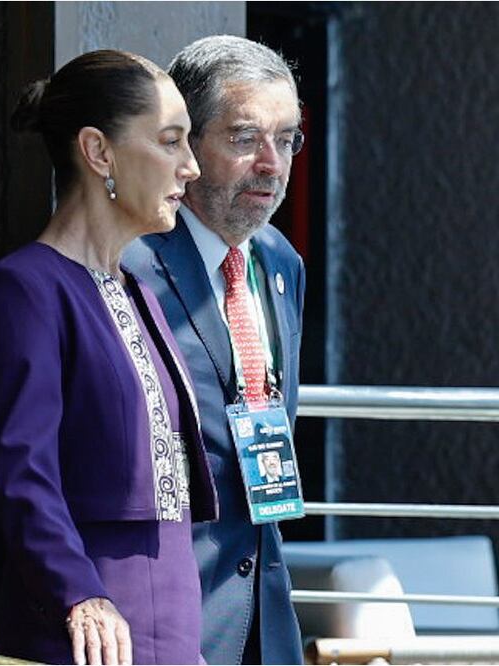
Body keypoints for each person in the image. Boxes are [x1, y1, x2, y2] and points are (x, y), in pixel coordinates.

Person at [0, 49, 216, 666]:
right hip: (89, 625)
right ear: (98, 152)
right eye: (170, 141)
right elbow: (19, 468)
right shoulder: (25, 288)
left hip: (174, 617)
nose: (191, 166)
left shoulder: (139, 292)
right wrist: (79, 593)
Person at [124, 35, 306, 665]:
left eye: (287, 139)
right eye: (245, 138)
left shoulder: (280, 262)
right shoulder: (129, 265)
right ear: (187, 142)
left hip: (265, 620)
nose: (271, 164)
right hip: (165, 618)